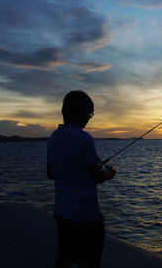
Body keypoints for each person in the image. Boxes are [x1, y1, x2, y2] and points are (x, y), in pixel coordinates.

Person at [47, 90, 116, 268]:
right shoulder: (82, 137)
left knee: (64, 258)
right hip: (85, 216)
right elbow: (97, 177)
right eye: (89, 113)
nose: (89, 118)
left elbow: (51, 173)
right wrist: (110, 172)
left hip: (62, 212)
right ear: (78, 111)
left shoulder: (54, 137)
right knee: (89, 262)